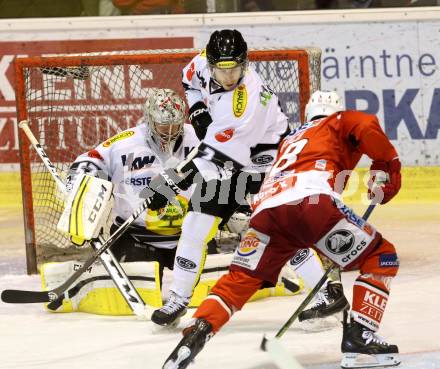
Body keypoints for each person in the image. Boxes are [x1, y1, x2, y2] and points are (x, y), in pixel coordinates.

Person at [162, 90, 402, 369]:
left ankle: (193, 338)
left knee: (237, 283)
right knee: (382, 256)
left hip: (265, 212)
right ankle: (360, 334)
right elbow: (365, 124)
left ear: (308, 113)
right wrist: (388, 166)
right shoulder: (338, 120)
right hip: (311, 203)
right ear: (335, 110)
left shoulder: (291, 138)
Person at [145, 29, 290, 326]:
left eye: (234, 69)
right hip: (229, 152)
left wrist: (171, 184)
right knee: (195, 224)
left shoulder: (244, 102)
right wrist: (197, 106)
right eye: (221, 70)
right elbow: (189, 79)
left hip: (265, 158)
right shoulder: (201, 63)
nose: (227, 77)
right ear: (211, 63)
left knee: (272, 227)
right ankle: (179, 298)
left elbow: (213, 161)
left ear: (245, 64)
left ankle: (328, 289)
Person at [66, 88, 199, 285]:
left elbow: (231, 162)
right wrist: (83, 188)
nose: (170, 132)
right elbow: (90, 160)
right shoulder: (125, 142)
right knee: (136, 293)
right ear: (149, 120)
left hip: (192, 236)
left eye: (175, 124)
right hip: (136, 237)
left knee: (207, 293)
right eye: (163, 126)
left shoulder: (199, 138)